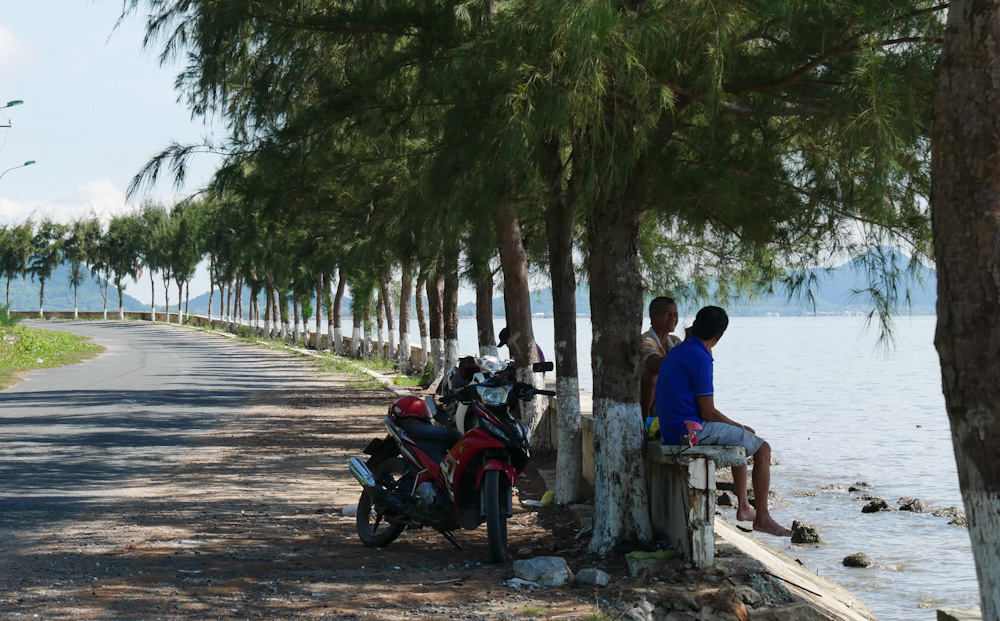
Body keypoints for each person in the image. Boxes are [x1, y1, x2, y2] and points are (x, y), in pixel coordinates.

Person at [654, 306, 792, 537]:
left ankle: (745, 507)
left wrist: (736, 428)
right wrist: (738, 426)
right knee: (763, 448)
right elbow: (708, 412)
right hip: (686, 432)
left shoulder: (681, 349)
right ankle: (763, 518)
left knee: (743, 437)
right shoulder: (700, 356)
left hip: (673, 427)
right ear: (719, 336)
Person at [640, 296, 682, 420]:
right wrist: (685, 350)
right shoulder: (646, 340)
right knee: (653, 376)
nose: (673, 319)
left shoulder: (675, 342)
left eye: (675, 315)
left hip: (672, 399)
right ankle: (644, 422)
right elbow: (655, 365)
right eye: (668, 314)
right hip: (651, 402)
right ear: (653, 315)